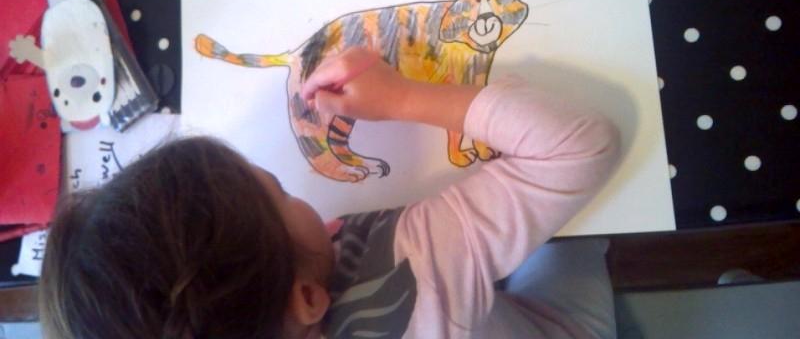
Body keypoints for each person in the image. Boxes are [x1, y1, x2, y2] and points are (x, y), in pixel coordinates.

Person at [39, 48, 621, 338]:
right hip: (555, 324)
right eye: (279, 191)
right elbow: (581, 146)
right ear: (309, 299)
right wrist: (406, 98)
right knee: (593, 222)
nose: (288, 187)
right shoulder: (409, 265)